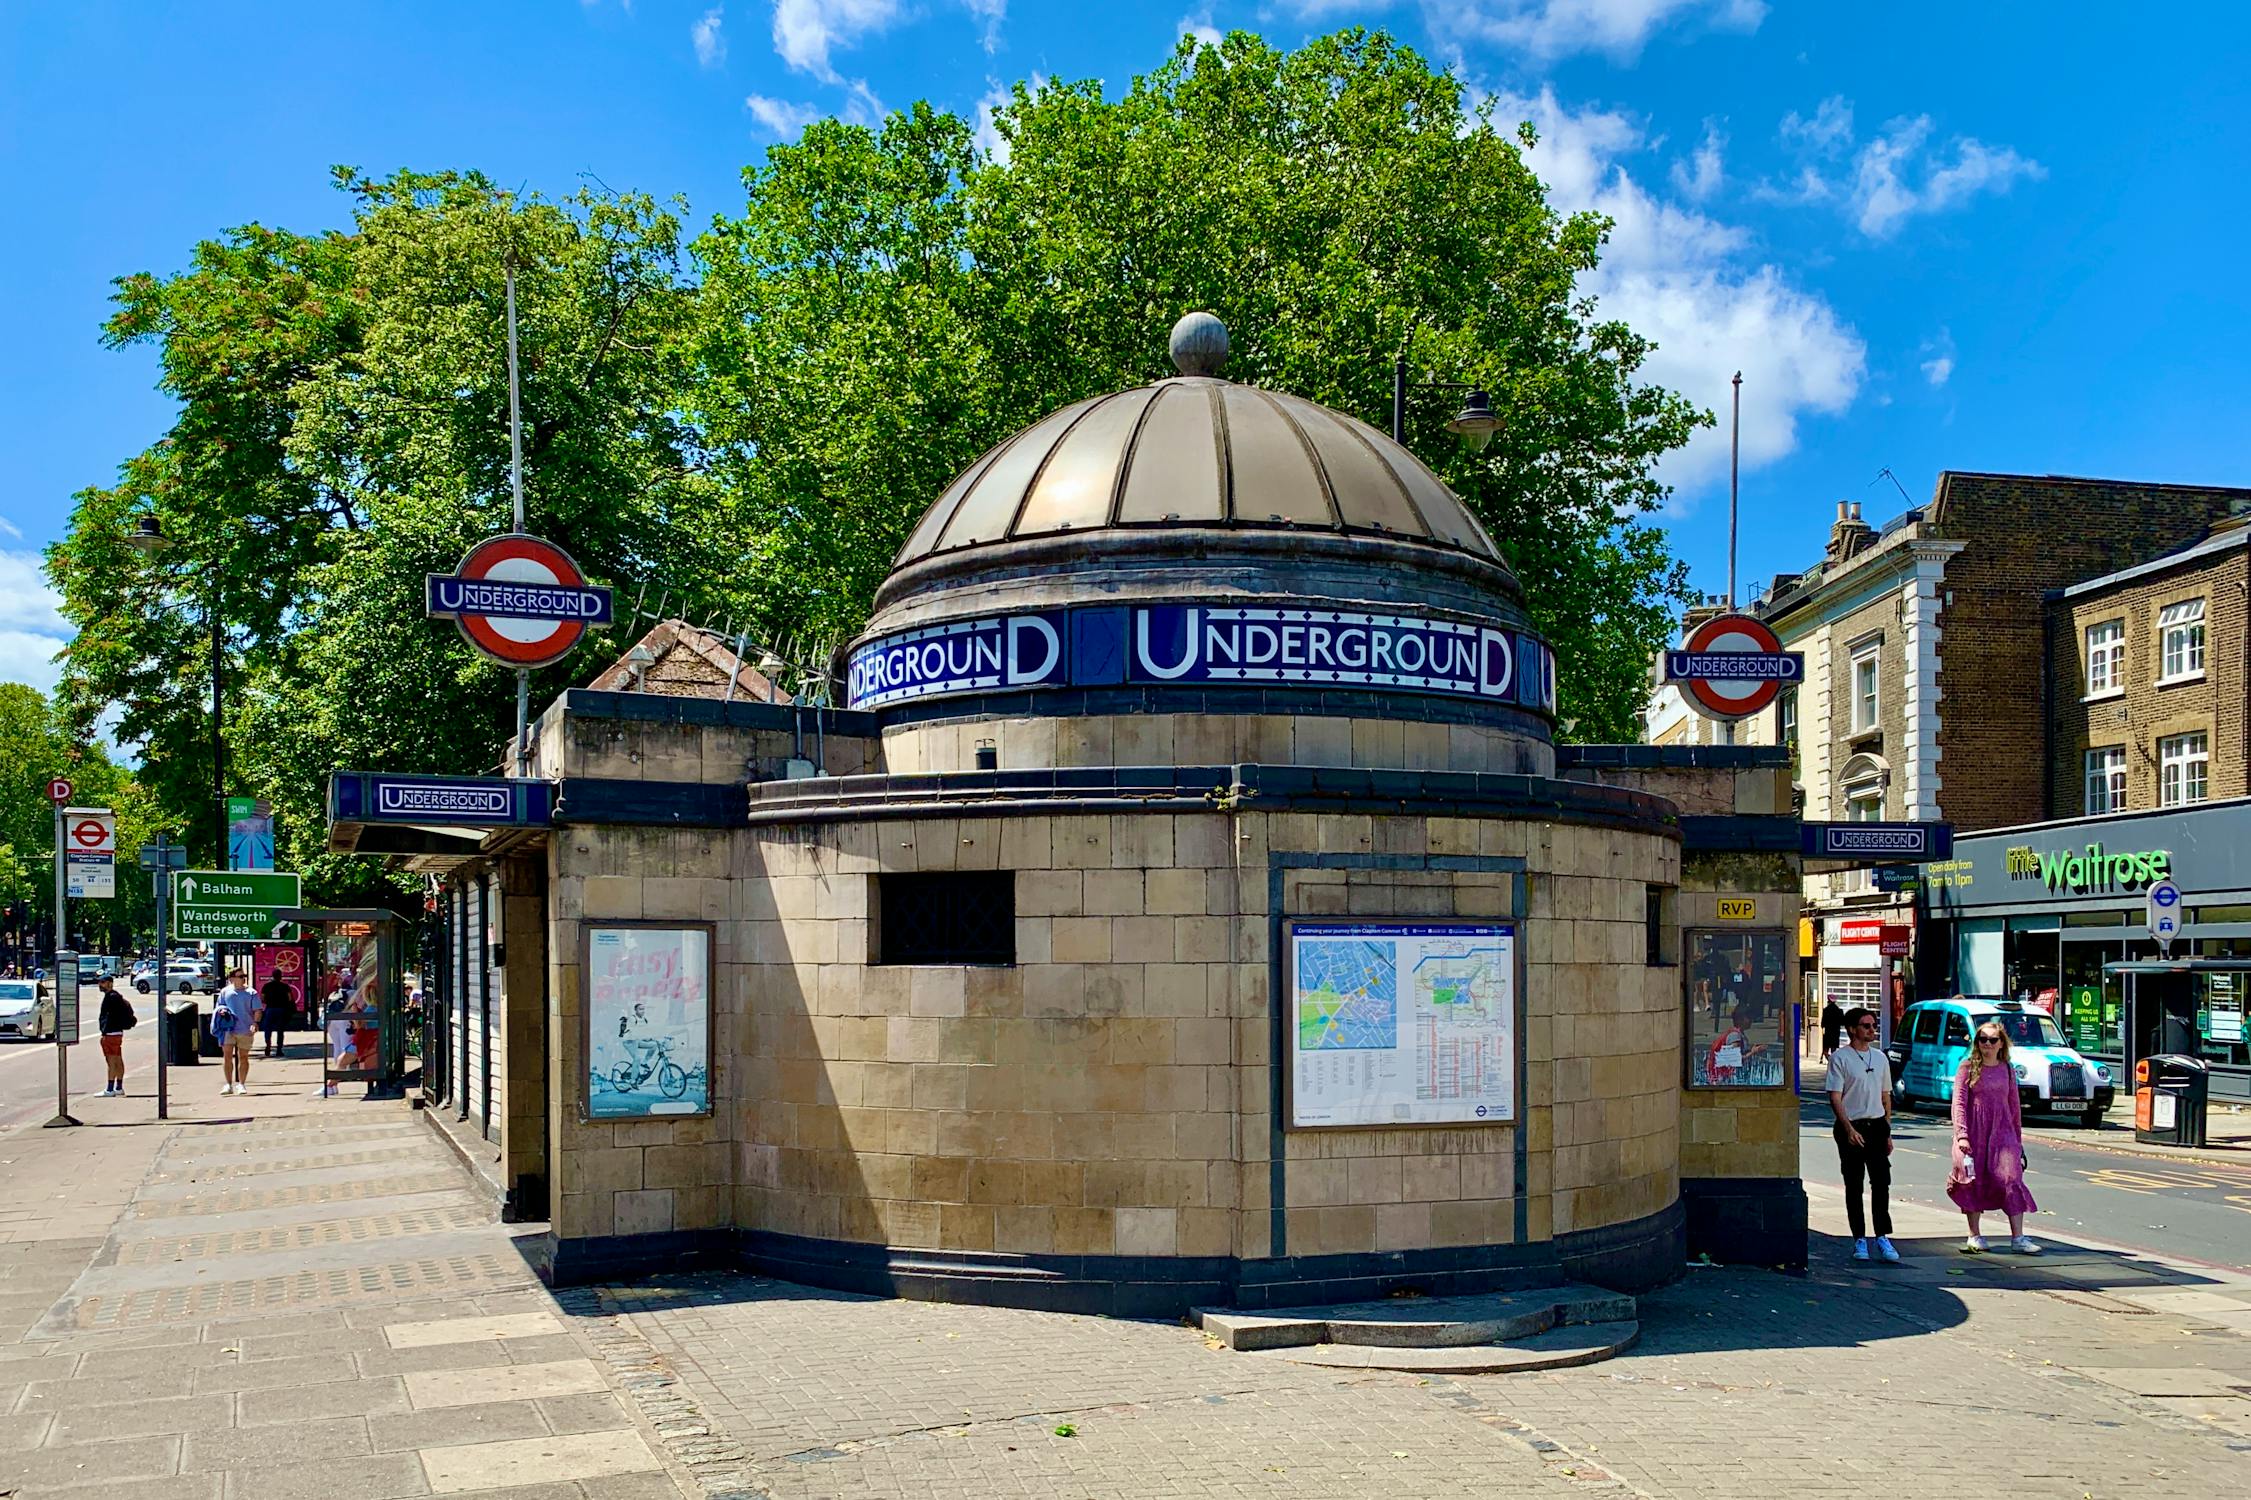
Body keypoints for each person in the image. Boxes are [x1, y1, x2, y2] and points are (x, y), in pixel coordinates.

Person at [1947, 1020, 2041, 1254]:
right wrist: (1962, 1135)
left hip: (2003, 1131)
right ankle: (1975, 1234)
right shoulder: (1967, 1067)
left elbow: (2014, 1106)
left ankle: (2018, 1238)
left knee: (2011, 1178)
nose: (1987, 1044)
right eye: (1983, 1039)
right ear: (1977, 1043)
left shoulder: (2007, 1069)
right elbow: (1958, 1104)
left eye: (1992, 1040)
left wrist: (2017, 1141)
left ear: (2001, 1043)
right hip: (1975, 1131)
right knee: (1974, 1180)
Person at [1824, 1006, 1899, 1263]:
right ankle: (1859, 1238)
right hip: (1852, 1125)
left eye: (1873, 1025)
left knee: (1881, 1183)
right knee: (1854, 1185)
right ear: (1853, 1029)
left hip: (1876, 1125)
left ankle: (1882, 1236)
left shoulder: (1880, 1058)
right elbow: (1835, 1097)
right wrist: (1848, 1129)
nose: (1871, 1029)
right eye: (1866, 1025)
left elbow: (1885, 1096)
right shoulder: (1841, 1058)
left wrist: (1887, 1131)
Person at [212, 967, 262, 1097]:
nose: (243, 978)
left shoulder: (251, 993)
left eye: (244, 976)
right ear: (232, 978)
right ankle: (228, 1084)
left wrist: (255, 1023)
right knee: (227, 1056)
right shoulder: (225, 992)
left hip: (245, 1029)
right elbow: (219, 1007)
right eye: (240, 976)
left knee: (243, 1057)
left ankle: (241, 1083)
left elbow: (257, 1010)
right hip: (228, 1029)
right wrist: (222, 1011)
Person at [96, 976, 136, 1096]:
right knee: (118, 1059)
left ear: (109, 984)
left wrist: (105, 1029)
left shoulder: (111, 998)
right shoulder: (117, 997)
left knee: (111, 1060)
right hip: (117, 1032)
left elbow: (108, 1016)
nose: (100, 985)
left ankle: (109, 1089)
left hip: (110, 1033)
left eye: (103, 982)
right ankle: (119, 1087)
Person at [259, 971, 295, 1058]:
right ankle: (279, 1049)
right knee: (280, 1030)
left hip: (270, 1009)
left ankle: (268, 1044)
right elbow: (290, 998)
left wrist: (268, 1001)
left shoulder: (267, 986)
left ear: (273, 976)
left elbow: (262, 998)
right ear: (280, 976)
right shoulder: (285, 986)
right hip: (281, 1009)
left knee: (268, 1029)